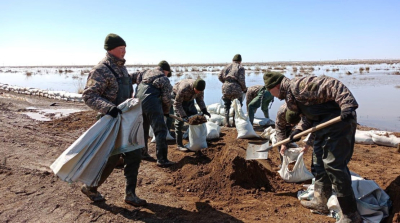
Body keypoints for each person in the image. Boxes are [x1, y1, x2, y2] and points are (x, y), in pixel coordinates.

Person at [264, 71, 361, 222]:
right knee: (319, 162)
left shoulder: (298, 85)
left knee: (334, 165)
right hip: (322, 126)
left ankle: (351, 214)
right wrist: (298, 130)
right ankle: (321, 200)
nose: (273, 96)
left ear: (276, 86)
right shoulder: (292, 97)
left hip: (339, 123)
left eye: (271, 91)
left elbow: (332, 84)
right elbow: (310, 115)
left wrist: (347, 105)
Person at [81, 33, 146, 206]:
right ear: (111, 49)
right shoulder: (100, 70)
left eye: (125, 48)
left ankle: (130, 194)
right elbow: (89, 96)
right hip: (111, 120)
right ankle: (91, 187)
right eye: (121, 48)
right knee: (110, 159)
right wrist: (109, 108)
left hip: (126, 119)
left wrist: (138, 76)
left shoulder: (120, 67)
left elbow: (122, 82)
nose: (124, 52)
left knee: (134, 155)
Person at [136, 60, 175, 167]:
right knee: (160, 130)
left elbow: (137, 81)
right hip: (151, 102)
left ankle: (142, 153)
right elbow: (166, 99)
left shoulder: (146, 72)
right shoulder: (164, 78)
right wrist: (166, 111)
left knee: (143, 128)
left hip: (138, 101)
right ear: (165, 70)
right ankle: (162, 159)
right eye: (168, 72)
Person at [172, 78, 210, 151]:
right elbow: (177, 104)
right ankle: (179, 144)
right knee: (179, 123)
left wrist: (204, 110)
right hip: (177, 99)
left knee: (195, 118)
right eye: (197, 90)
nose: (198, 92)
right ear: (193, 87)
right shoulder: (184, 88)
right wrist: (183, 116)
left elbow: (200, 100)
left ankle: (191, 139)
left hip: (189, 99)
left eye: (199, 91)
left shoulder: (200, 90)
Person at [218, 54, 247, 127]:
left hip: (226, 87)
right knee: (237, 104)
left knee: (226, 105)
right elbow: (241, 80)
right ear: (240, 61)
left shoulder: (226, 66)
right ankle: (234, 122)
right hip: (236, 88)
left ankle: (227, 122)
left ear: (233, 60)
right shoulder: (240, 67)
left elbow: (219, 76)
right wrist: (244, 88)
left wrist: (225, 82)